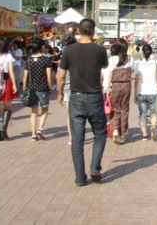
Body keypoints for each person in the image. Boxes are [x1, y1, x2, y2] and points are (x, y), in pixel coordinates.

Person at [57, 18, 108, 187]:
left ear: (77, 31)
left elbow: (61, 76)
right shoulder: (100, 50)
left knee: (77, 139)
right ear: (94, 32)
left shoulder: (69, 50)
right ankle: (95, 168)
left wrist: (59, 93)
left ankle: (80, 177)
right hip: (94, 97)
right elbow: (105, 66)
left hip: (76, 97)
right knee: (100, 135)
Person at [23, 38, 53, 142]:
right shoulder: (45, 60)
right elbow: (49, 76)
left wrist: (24, 87)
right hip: (42, 87)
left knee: (33, 112)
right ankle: (40, 128)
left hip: (31, 88)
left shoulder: (29, 60)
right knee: (45, 109)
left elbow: (25, 75)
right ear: (42, 47)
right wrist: (50, 87)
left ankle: (33, 134)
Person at [134, 43, 157, 141]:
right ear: (151, 52)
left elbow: (136, 80)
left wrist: (135, 93)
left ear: (142, 52)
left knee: (142, 113)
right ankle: (153, 127)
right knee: (154, 111)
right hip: (153, 91)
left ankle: (144, 135)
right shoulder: (156, 62)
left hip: (142, 91)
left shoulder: (138, 63)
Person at [107, 39, 134, 145]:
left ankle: (115, 131)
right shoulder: (130, 59)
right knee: (124, 109)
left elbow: (110, 75)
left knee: (115, 109)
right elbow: (131, 72)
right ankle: (123, 133)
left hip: (115, 85)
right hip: (126, 85)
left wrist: (108, 87)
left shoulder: (112, 59)